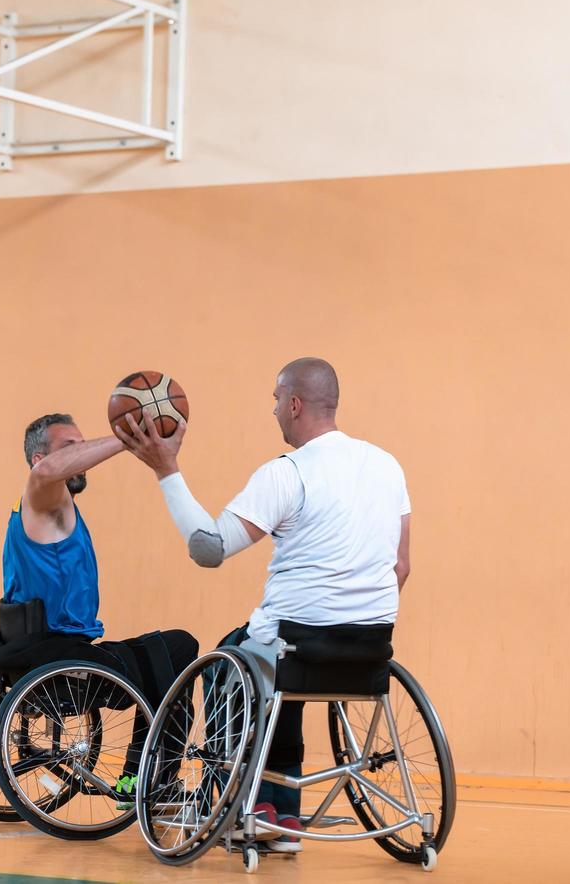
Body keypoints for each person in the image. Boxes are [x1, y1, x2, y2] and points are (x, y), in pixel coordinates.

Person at [115, 358, 411, 852]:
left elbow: (209, 549)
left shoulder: (288, 472)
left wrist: (167, 471)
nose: (273, 410)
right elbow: (401, 567)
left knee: (232, 658)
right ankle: (284, 817)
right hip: (370, 649)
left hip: (294, 644)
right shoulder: (387, 466)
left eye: (276, 400)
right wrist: (350, 618)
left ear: (294, 404)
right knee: (278, 658)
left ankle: (245, 808)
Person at [0, 412, 199, 796]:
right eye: (73, 447)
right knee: (179, 648)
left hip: (49, 654)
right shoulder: (41, 493)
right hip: (61, 661)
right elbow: (49, 470)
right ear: (40, 460)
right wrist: (129, 438)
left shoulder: (55, 508)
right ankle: (148, 781)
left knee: (162, 652)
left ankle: (146, 776)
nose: (83, 453)